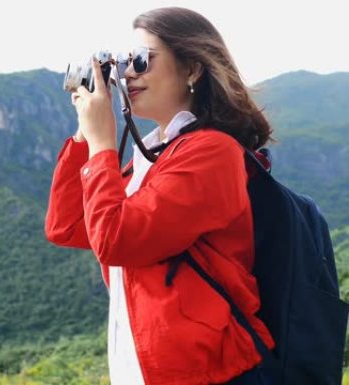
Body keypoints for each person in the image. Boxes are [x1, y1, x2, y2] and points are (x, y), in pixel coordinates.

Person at [45, 7, 276, 385]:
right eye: (124, 63)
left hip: (210, 374)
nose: (128, 74)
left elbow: (116, 240)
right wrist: (85, 136)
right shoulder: (151, 159)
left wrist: (103, 143)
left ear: (192, 69)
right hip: (143, 371)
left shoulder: (212, 151)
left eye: (142, 60)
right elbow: (67, 226)